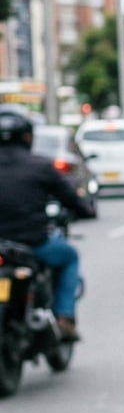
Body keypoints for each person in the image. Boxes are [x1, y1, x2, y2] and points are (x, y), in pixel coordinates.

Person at [0, 109, 95, 341]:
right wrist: (85, 209)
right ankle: (64, 318)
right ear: (27, 137)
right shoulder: (39, 166)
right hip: (32, 242)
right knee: (70, 256)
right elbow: (71, 198)